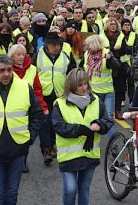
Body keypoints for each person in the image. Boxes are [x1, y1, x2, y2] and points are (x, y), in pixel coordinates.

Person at [0, 55, 44, 205]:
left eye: (9, 70)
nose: (6, 74)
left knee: (11, 197)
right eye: (1, 70)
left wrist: (30, 138)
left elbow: (37, 114)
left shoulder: (24, 87)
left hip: (17, 152)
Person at [51, 68, 113, 205]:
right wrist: (80, 130)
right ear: (71, 86)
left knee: (84, 189)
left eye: (86, 84)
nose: (84, 88)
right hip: (68, 157)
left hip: (89, 154)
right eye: (80, 85)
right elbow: (59, 127)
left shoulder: (96, 101)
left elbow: (107, 121)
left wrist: (99, 124)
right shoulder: (60, 104)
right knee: (71, 190)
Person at [32, 32, 76, 165]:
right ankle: (46, 149)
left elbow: (72, 72)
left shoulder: (65, 56)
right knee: (44, 122)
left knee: (54, 121)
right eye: (53, 45)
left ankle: (52, 146)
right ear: (46, 45)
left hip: (59, 94)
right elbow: (32, 72)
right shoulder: (38, 56)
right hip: (43, 94)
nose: (56, 47)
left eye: (58, 44)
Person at [8, 44, 49, 172]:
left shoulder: (32, 69)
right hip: (13, 108)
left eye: (23, 54)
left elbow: (38, 90)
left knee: (25, 135)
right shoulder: (8, 70)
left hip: (29, 107)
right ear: (12, 57)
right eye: (18, 55)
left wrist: (43, 107)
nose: (21, 57)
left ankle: (22, 160)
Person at [80, 35, 120, 137]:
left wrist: (110, 59)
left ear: (94, 45)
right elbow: (81, 69)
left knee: (109, 118)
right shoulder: (86, 54)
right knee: (92, 117)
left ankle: (114, 144)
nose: (87, 47)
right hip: (93, 92)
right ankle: (90, 139)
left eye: (88, 45)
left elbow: (117, 66)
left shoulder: (106, 53)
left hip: (107, 92)